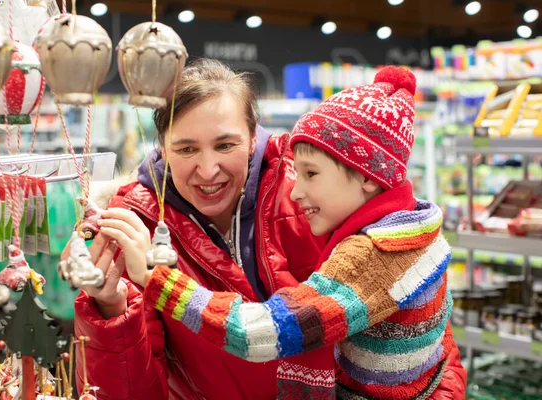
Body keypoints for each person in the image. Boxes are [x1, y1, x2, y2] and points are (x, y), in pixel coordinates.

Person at [74, 59, 466, 399]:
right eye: (186, 148)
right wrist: (109, 308)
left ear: (252, 135)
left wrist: (160, 280)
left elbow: (431, 343)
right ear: (161, 145)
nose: (208, 170)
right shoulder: (134, 228)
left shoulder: (326, 201)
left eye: (225, 145)